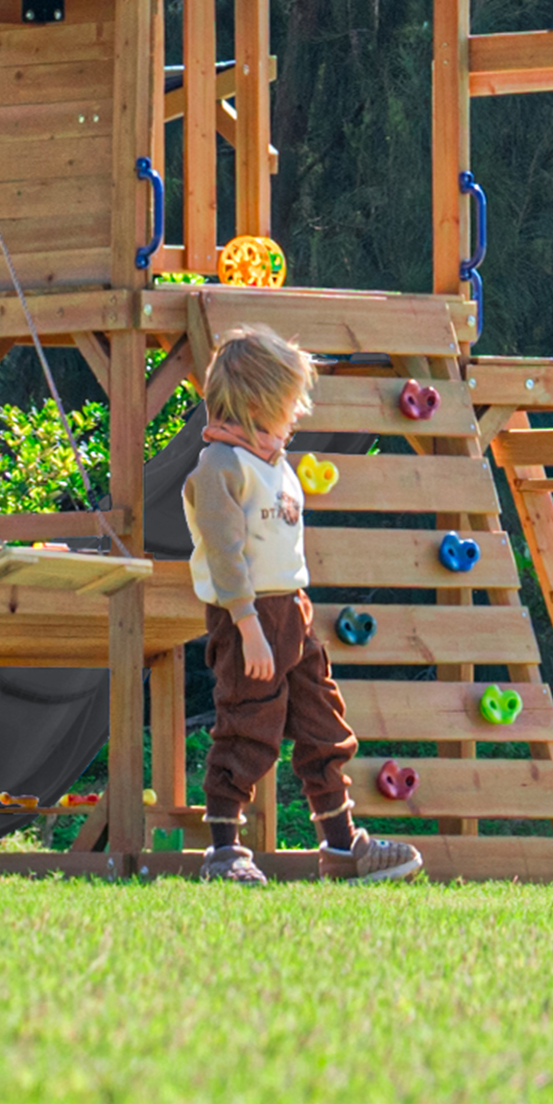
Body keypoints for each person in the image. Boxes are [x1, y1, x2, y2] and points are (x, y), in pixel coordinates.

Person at [184, 324, 423, 886]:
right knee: (247, 725)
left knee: (323, 723)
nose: (295, 415)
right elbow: (224, 554)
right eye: (288, 404)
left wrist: (291, 619)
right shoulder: (219, 468)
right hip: (251, 618)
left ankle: (343, 848)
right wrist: (247, 626)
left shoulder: (274, 463)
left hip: (292, 612)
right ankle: (224, 849)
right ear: (255, 402)